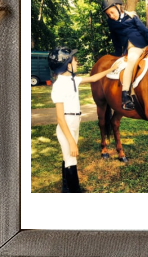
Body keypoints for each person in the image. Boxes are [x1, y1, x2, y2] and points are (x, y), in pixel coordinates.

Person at [48, 47, 119, 193]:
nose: (77, 62)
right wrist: (72, 142)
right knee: (71, 159)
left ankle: (66, 188)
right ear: (68, 65)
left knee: (67, 157)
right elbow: (60, 118)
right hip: (66, 125)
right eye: (74, 60)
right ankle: (75, 191)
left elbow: (93, 78)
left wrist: (111, 69)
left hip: (73, 122)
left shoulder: (72, 79)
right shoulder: (59, 85)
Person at [102, 0, 148, 111]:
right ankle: (125, 96)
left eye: (112, 12)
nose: (111, 16)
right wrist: (118, 54)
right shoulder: (111, 23)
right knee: (131, 62)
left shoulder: (132, 16)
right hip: (132, 47)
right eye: (109, 15)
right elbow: (115, 39)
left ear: (118, 7)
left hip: (145, 44)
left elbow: (144, 30)